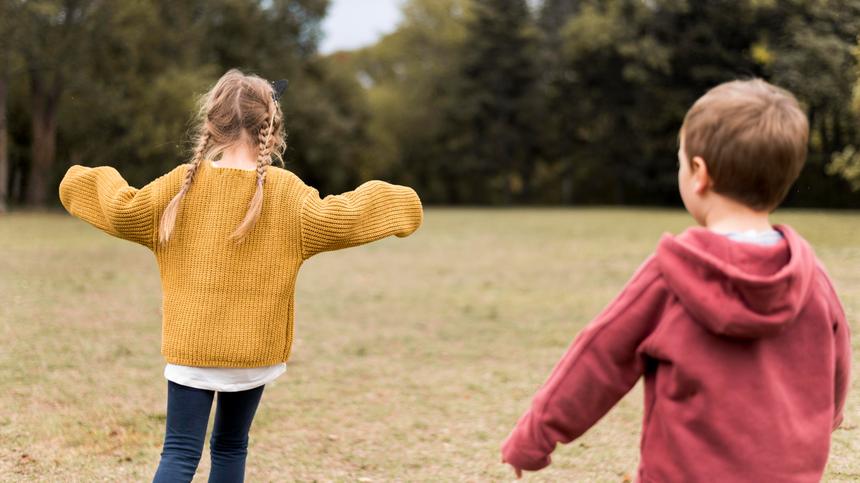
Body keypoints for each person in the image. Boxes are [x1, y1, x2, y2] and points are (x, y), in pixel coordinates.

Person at [58, 69, 423, 483]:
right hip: (253, 354)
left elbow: (123, 210)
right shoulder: (288, 193)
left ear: (211, 124)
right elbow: (341, 217)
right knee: (231, 447)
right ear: (271, 125)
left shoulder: (181, 186)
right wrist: (401, 202)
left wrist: (79, 180)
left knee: (179, 453)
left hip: (191, 350)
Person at [501, 79, 851, 482]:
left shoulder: (670, 275)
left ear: (698, 174)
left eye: (680, 160)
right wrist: (831, 415)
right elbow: (836, 360)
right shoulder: (810, 276)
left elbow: (598, 358)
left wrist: (534, 435)